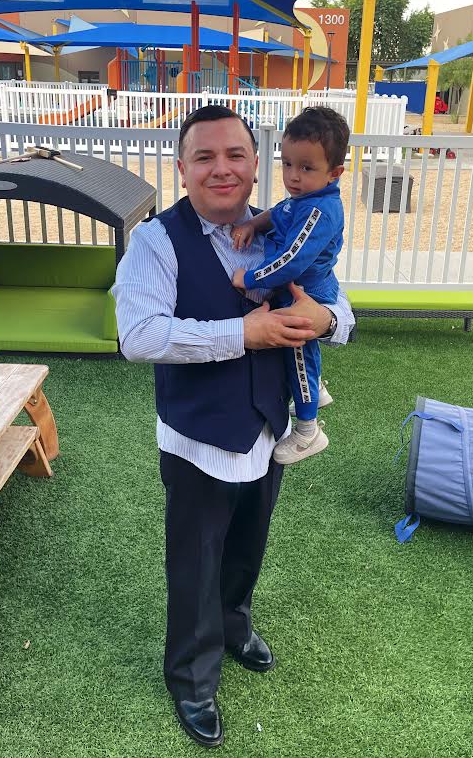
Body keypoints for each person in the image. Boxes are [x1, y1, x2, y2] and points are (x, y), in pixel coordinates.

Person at [112, 105, 354, 748]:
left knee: (249, 542)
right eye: (205, 156)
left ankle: (235, 624)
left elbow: (337, 301)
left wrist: (328, 321)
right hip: (198, 436)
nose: (222, 168)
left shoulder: (286, 225)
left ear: (254, 165)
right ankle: (192, 677)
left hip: (269, 426)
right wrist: (243, 333)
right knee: (196, 560)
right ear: (182, 167)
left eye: (236, 155)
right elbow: (138, 336)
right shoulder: (157, 242)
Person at [231, 106, 347, 464]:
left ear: (335, 173)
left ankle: (308, 431)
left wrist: (249, 278)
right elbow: (279, 212)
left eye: (307, 168)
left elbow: (290, 261)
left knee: (298, 356)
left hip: (303, 296)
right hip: (302, 289)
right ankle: (317, 390)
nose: (293, 176)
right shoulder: (305, 198)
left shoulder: (318, 211)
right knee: (301, 357)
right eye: (288, 164)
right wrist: (254, 224)